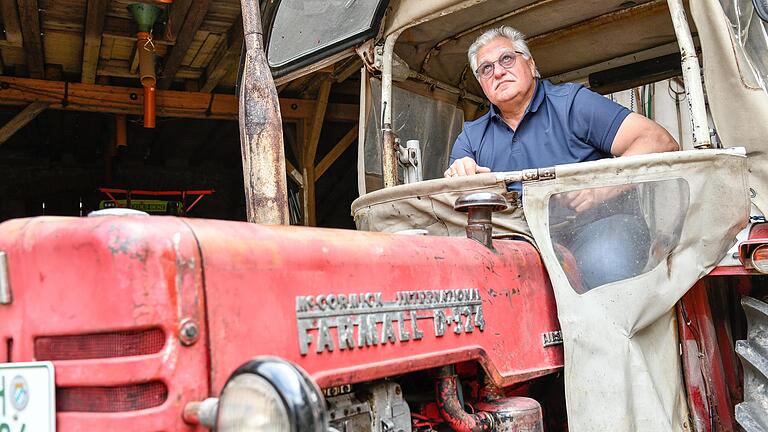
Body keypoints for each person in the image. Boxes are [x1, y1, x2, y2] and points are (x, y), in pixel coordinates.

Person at [445, 26, 679, 289]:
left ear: (531, 65)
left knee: (604, 260)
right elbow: (452, 200)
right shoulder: (471, 137)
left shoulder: (572, 104)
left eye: (506, 59)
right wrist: (459, 175)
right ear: (482, 84)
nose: (498, 71)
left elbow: (659, 142)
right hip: (518, 242)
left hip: (599, 227)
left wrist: (598, 189)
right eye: (486, 69)